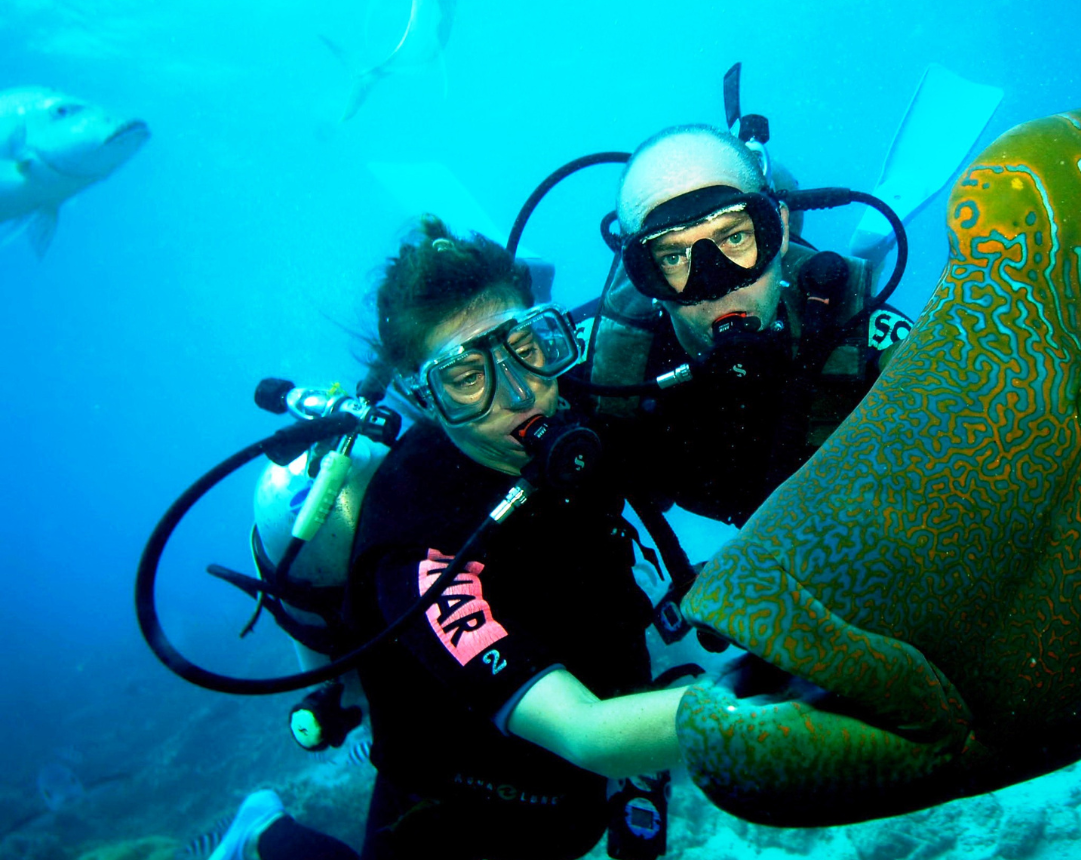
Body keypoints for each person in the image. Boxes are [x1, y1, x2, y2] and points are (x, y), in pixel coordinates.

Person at [210, 216, 684, 860]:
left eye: (525, 345)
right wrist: (772, 701)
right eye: (467, 379)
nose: (521, 394)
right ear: (424, 398)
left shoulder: (585, 419)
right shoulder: (412, 547)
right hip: (455, 808)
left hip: (585, 792)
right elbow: (588, 731)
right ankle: (264, 832)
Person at [570, 125, 914, 529]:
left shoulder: (862, 333)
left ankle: (864, 246)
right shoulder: (603, 365)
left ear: (779, 231)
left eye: (734, 236)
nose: (715, 283)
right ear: (645, 276)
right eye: (673, 257)